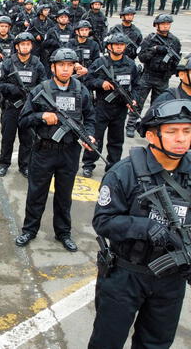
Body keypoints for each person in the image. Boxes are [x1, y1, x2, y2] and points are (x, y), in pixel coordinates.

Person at [89, 98, 191, 348]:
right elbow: (103, 221)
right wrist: (145, 228)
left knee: (156, 343)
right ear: (151, 135)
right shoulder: (123, 173)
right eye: (172, 132)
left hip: (172, 279)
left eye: (187, 131)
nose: (181, 139)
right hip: (126, 274)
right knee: (107, 342)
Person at [16, 48, 96, 252]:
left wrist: (90, 136)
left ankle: (63, 233)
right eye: (61, 65)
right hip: (44, 150)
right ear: (53, 67)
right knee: (36, 193)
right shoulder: (40, 90)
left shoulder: (81, 90)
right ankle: (29, 230)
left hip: (69, 151)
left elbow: (90, 118)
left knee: (64, 195)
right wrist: (41, 116)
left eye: (70, 65)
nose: (66, 69)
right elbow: (23, 120)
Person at [81, 33, 140, 178]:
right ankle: (88, 164)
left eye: (122, 45)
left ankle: (113, 166)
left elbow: (137, 86)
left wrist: (134, 100)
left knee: (116, 140)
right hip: (101, 107)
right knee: (96, 138)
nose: (119, 48)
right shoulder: (100, 63)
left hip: (120, 109)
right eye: (116, 45)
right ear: (109, 47)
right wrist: (101, 83)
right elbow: (87, 80)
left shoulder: (130, 64)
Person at [0, 32, 47, 177]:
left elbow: (44, 84)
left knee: (27, 139)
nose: (25, 47)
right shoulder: (8, 63)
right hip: (11, 107)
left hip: (28, 108)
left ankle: (24, 166)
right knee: (7, 138)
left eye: (28, 44)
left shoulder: (37, 63)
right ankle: (4, 164)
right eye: (22, 44)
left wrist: (32, 93)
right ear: (17, 46)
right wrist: (14, 89)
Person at [128, 14, 182, 138]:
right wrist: (155, 49)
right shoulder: (150, 40)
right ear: (156, 25)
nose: (165, 26)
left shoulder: (174, 41)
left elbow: (176, 60)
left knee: (158, 105)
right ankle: (131, 125)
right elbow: (141, 57)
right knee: (137, 103)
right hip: (148, 76)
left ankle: (152, 127)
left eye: (168, 24)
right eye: (163, 24)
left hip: (163, 78)